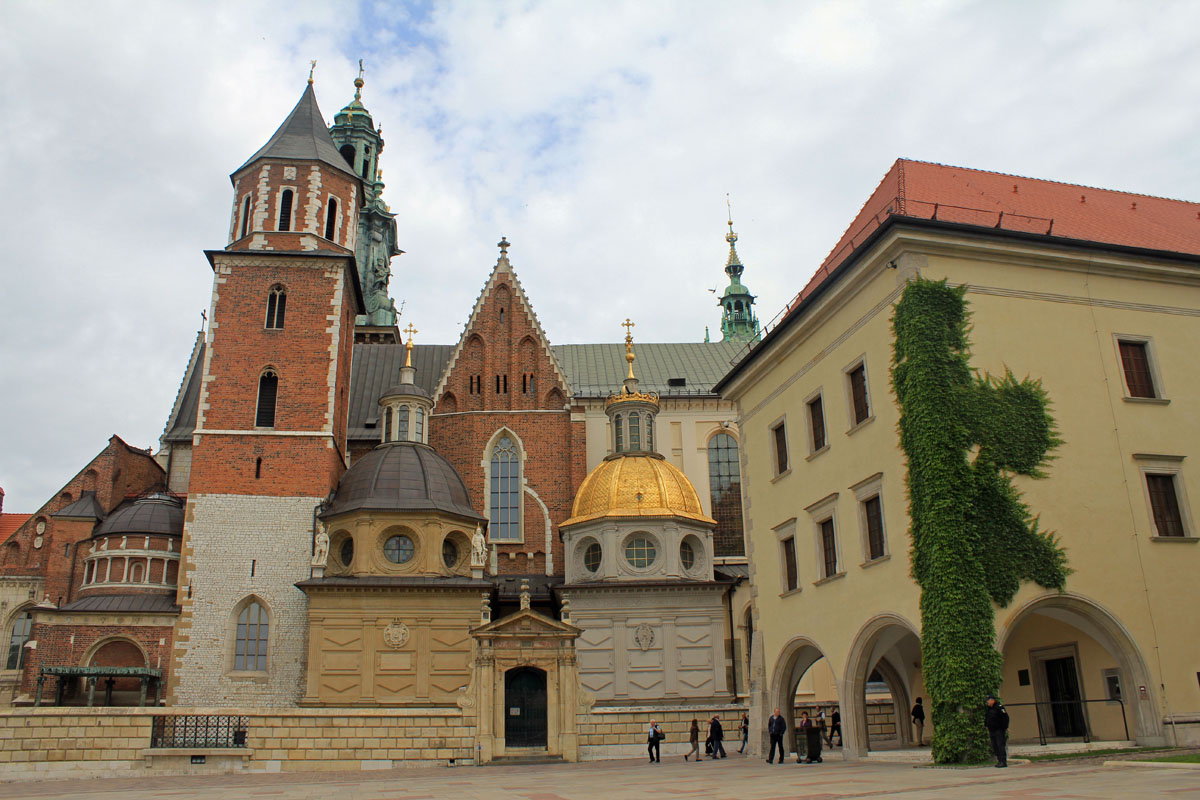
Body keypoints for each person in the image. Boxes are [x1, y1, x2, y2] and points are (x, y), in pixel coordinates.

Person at [984, 695, 1009, 767]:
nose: (987, 702)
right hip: (992, 730)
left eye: (988, 700)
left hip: (999, 730)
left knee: (1000, 745)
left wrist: (1004, 727)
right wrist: (986, 725)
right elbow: (987, 718)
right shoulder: (989, 708)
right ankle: (999, 760)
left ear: (992, 700)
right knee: (995, 745)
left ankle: (1003, 761)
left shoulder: (999, 707)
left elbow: (1005, 718)